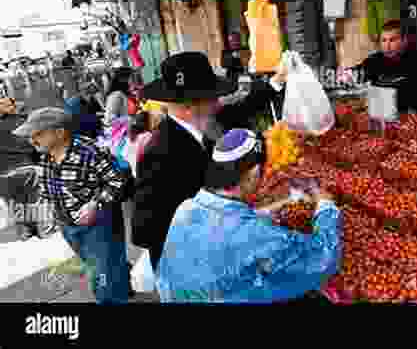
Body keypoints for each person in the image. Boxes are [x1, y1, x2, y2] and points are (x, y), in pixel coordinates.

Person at [132, 51, 287, 272]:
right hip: (195, 267)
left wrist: (277, 81)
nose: (218, 103)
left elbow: (242, 108)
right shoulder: (160, 154)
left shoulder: (205, 121)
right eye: (212, 97)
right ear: (189, 106)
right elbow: (145, 230)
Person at [156, 129, 342, 303]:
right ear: (253, 174)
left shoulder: (185, 209)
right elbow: (323, 259)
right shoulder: (256, 234)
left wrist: (262, 214)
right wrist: (326, 206)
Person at [12, 107, 129, 304]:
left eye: (38, 133)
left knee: (101, 278)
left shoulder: (91, 151)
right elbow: (46, 186)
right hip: (68, 225)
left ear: (59, 133)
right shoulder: (42, 155)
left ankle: (112, 297)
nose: (32, 139)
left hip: (99, 226)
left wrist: (96, 204)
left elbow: (117, 180)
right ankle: (121, 282)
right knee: (103, 266)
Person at [344, 19, 417, 126]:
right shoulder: (375, 61)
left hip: (411, 123)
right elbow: (356, 74)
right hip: (381, 122)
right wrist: (346, 75)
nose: (387, 46)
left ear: (404, 41)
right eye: (383, 40)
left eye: (392, 40)